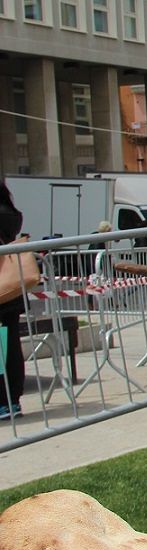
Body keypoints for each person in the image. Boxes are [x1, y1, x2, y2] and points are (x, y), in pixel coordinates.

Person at [0, 179, 28, 419]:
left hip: (2, 293)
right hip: (11, 292)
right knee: (11, 346)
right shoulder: (11, 214)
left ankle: (3, 401)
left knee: (3, 348)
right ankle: (12, 400)